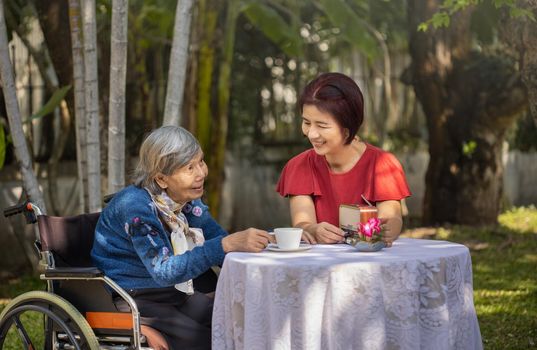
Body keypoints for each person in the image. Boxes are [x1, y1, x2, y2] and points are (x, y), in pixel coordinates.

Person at [91, 126, 272, 350]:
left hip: (173, 292)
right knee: (209, 341)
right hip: (134, 297)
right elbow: (164, 270)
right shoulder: (135, 207)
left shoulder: (184, 200)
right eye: (189, 168)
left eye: (201, 162)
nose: (201, 173)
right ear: (161, 178)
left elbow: (215, 236)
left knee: (235, 324)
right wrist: (225, 245)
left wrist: (261, 260)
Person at [276, 72, 411, 246]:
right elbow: (303, 223)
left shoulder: (382, 164)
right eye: (307, 123)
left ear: (348, 129)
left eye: (322, 125)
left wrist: (386, 230)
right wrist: (312, 230)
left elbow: (391, 218)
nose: (312, 134)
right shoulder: (299, 166)